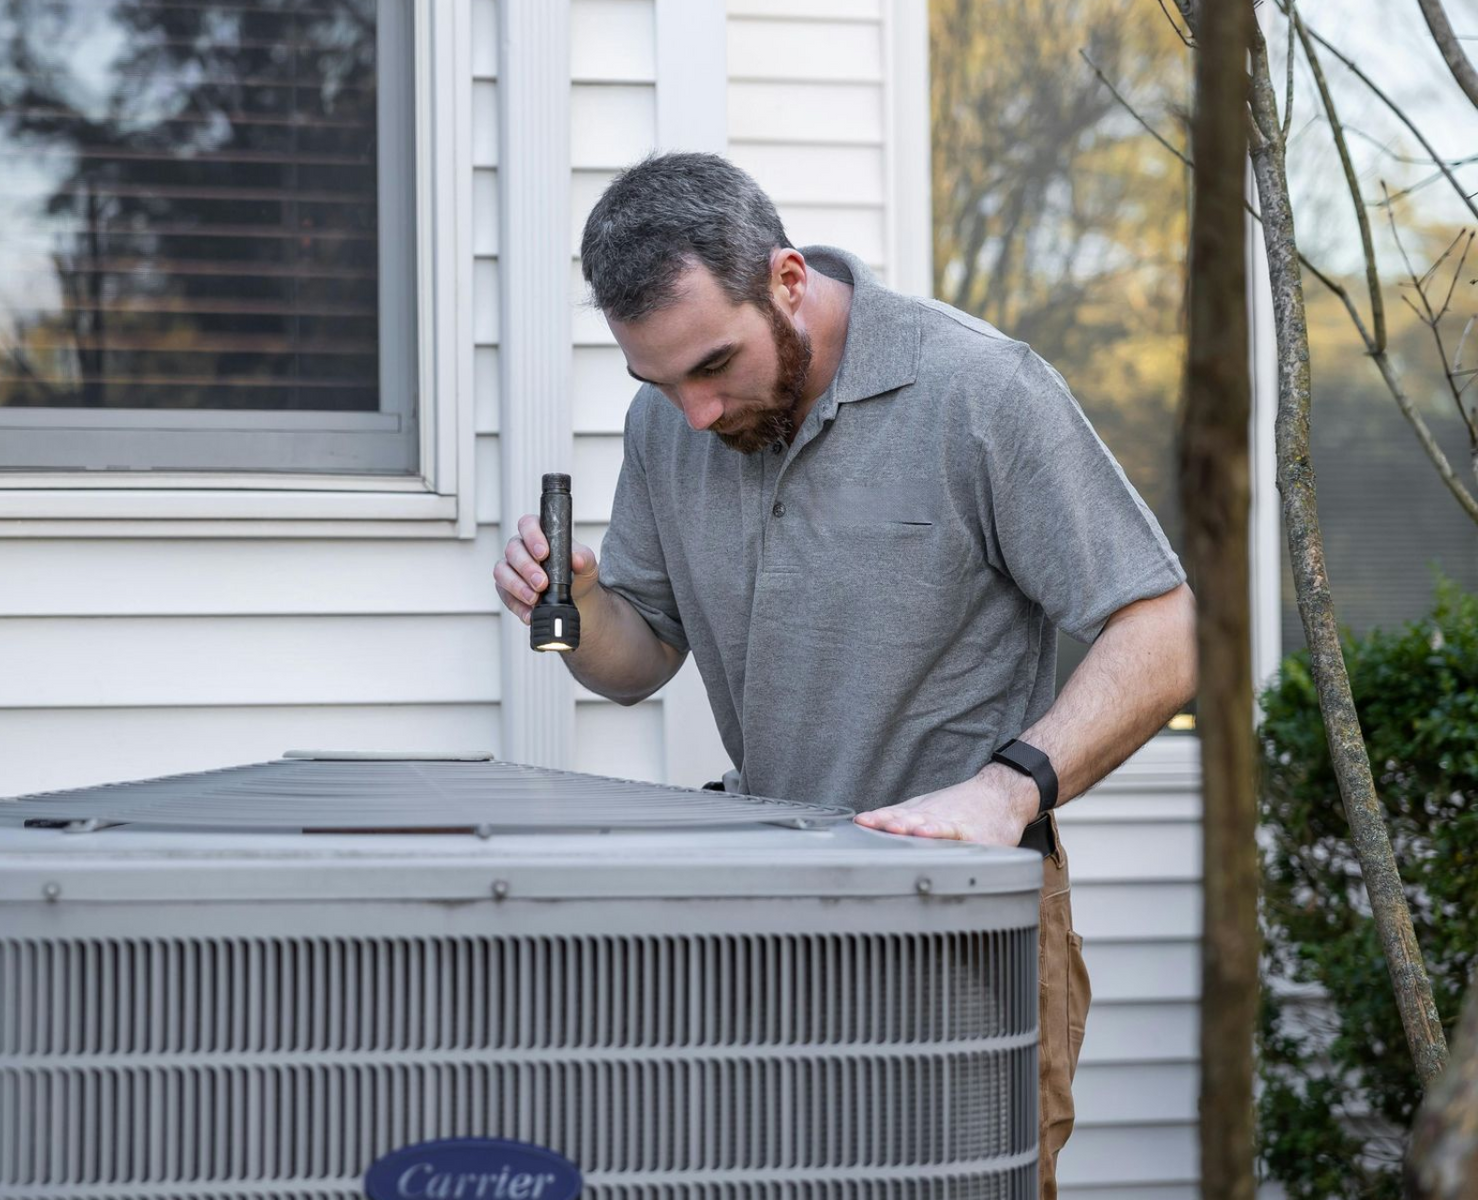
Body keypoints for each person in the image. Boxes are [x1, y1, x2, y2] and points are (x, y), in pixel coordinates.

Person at [491, 152, 1197, 1198]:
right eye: (660, 381)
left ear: (785, 280)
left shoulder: (979, 390)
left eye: (714, 365)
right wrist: (578, 609)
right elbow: (639, 658)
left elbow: (1166, 626)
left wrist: (1008, 791)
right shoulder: (669, 424)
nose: (693, 411)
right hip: (769, 913)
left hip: (961, 920)